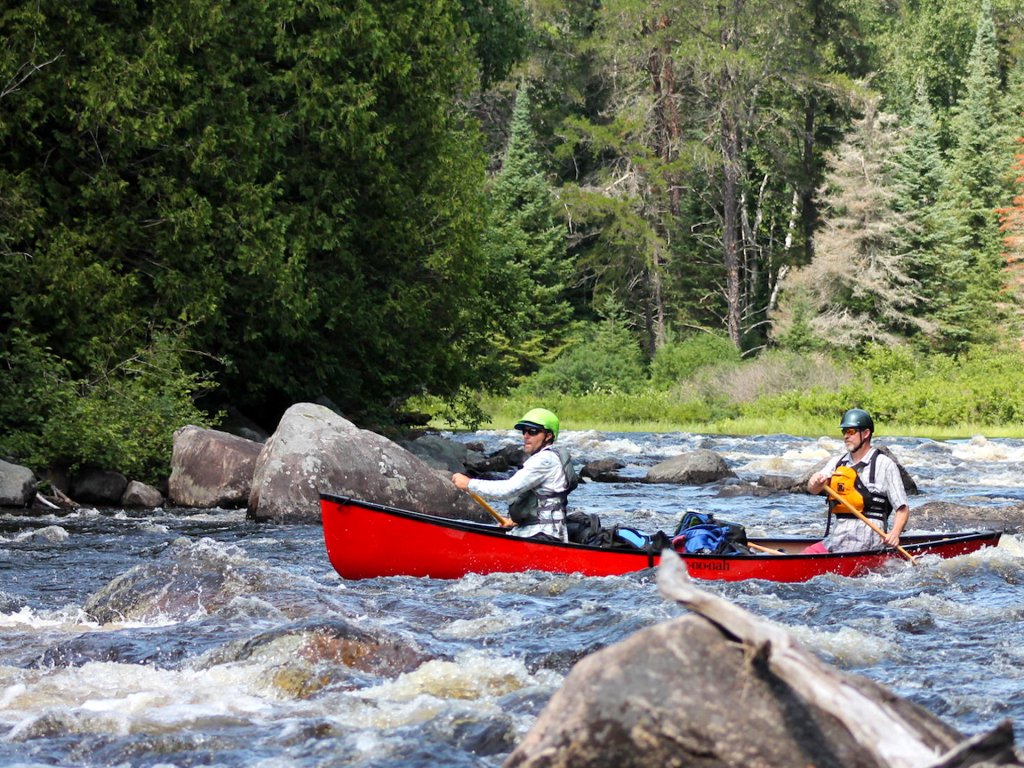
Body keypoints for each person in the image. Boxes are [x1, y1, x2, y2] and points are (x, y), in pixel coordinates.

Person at [451, 408, 577, 541]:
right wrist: (516, 521)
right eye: (524, 431)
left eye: (532, 431)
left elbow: (508, 489)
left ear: (548, 436)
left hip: (542, 536)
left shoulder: (544, 460)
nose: (526, 436)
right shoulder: (549, 457)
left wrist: (469, 484)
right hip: (540, 532)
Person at [805, 408, 910, 553]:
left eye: (851, 431)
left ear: (866, 434)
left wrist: (894, 534)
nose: (846, 436)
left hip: (866, 540)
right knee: (805, 554)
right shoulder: (838, 462)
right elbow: (813, 489)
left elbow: (902, 508)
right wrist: (815, 481)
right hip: (837, 538)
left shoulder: (885, 465)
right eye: (844, 432)